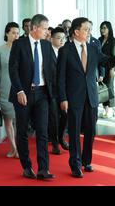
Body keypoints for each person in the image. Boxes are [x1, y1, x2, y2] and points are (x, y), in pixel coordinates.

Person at [57, 17, 115, 178]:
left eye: (90, 29)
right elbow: (60, 77)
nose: (90, 32)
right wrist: (63, 98)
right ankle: (75, 164)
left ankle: (86, 161)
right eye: (86, 29)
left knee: (91, 131)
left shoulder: (93, 49)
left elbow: (107, 62)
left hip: (91, 97)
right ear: (76, 31)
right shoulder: (65, 50)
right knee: (74, 132)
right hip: (73, 98)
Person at [9, 14, 57, 180]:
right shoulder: (19, 44)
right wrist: (19, 91)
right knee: (22, 131)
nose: (47, 32)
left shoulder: (46, 45)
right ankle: (27, 167)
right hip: (24, 95)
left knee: (42, 132)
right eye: (44, 28)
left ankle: (44, 169)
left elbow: (53, 69)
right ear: (35, 28)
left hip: (42, 94)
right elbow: (13, 69)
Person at [0, 22, 20, 159]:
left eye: (17, 32)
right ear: (7, 33)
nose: (16, 35)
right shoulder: (0, 50)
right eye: (13, 32)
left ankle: (18, 147)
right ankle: (14, 148)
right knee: (8, 120)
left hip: (19, 88)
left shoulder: (21, 49)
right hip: (4, 88)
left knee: (18, 121)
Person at [48, 27, 68, 155]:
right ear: (52, 39)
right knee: (54, 117)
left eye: (63, 38)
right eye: (59, 38)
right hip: (52, 90)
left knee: (65, 116)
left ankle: (61, 137)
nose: (61, 40)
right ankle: (55, 143)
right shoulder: (47, 52)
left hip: (65, 91)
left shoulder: (66, 52)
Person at [99, 21, 115, 118]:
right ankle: (105, 108)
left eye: (105, 28)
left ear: (109, 29)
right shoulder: (99, 40)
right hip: (101, 68)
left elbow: (114, 56)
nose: (102, 30)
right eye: (101, 28)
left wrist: (112, 69)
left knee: (110, 88)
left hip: (109, 68)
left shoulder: (113, 41)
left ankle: (110, 109)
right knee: (103, 89)